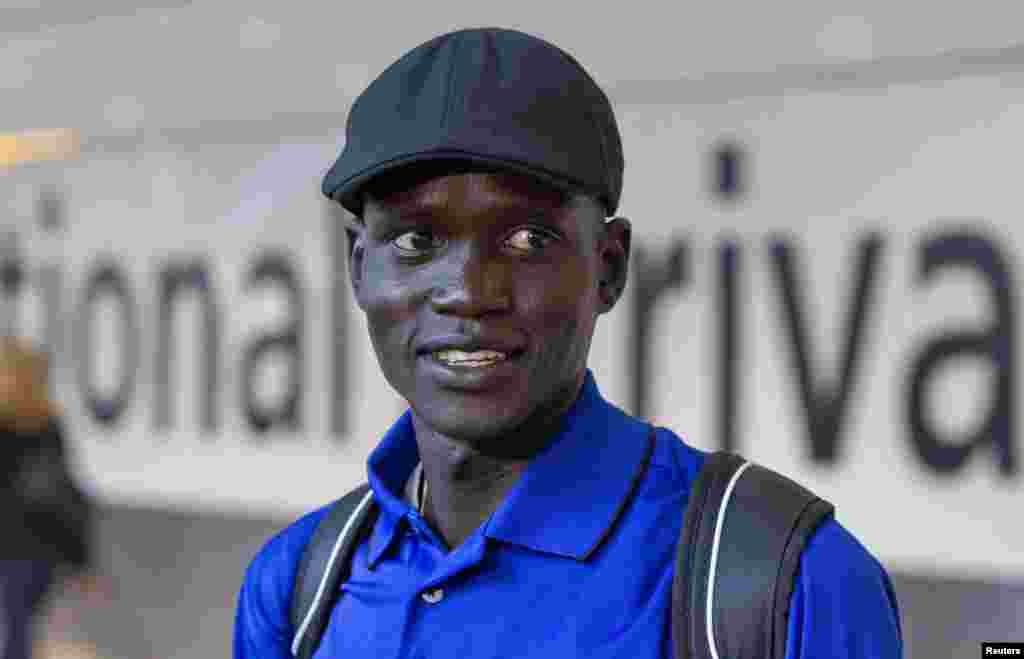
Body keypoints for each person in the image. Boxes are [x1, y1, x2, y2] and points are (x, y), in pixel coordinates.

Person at [234, 27, 902, 658]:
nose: (468, 291)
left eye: (528, 239)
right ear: (358, 266)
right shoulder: (297, 588)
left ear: (608, 267)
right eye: (417, 241)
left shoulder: (789, 582)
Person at [0, 336, 98, 659]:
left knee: (17, 629)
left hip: (26, 553)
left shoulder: (40, 431)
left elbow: (58, 497)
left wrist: (80, 557)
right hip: (28, 553)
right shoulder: (45, 429)